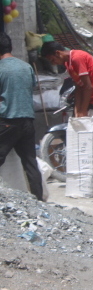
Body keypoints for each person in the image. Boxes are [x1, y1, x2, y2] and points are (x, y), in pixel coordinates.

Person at [40, 42, 93, 196]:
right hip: (92, 98)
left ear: (58, 53)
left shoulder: (77, 58)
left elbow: (88, 86)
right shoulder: (69, 63)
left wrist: (83, 110)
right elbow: (79, 87)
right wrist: (78, 112)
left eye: (52, 59)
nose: (53, 63)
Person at [0, 33, 44, 201]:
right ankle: (39, 199)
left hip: (8, 121)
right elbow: (29, 88)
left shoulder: (1, 68)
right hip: (27, 121)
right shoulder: (26, 67)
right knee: (30, 162)